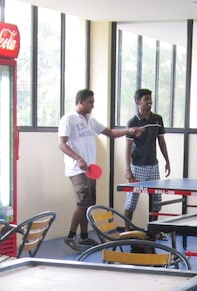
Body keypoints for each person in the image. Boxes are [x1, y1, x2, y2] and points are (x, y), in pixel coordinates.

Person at [57, 88, 142, 251]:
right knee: (83, 202)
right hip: (76, 169)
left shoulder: (91, 121)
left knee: (89, 204)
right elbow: (62, 144)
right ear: (80, 102)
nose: (92, 105)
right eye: (90, 102)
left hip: (91, 169)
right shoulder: (69, 119)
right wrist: (79, 159)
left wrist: (129, 131)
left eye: (93, 102)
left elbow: (110, 132)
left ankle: (84, 237)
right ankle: (70, 237)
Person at [124, 88, 171, 222]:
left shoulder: (157, 119)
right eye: (146, 99)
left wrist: (167, 161)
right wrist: (128, 169)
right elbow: (128, 147)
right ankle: (127, 230)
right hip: (138, 166)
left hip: (153, 165)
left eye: (150, 99)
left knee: (156, 200)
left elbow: (161, 141)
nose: (149, 102)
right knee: (132, 200)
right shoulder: (133, 122)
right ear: (138, 101)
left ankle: (153, 229)